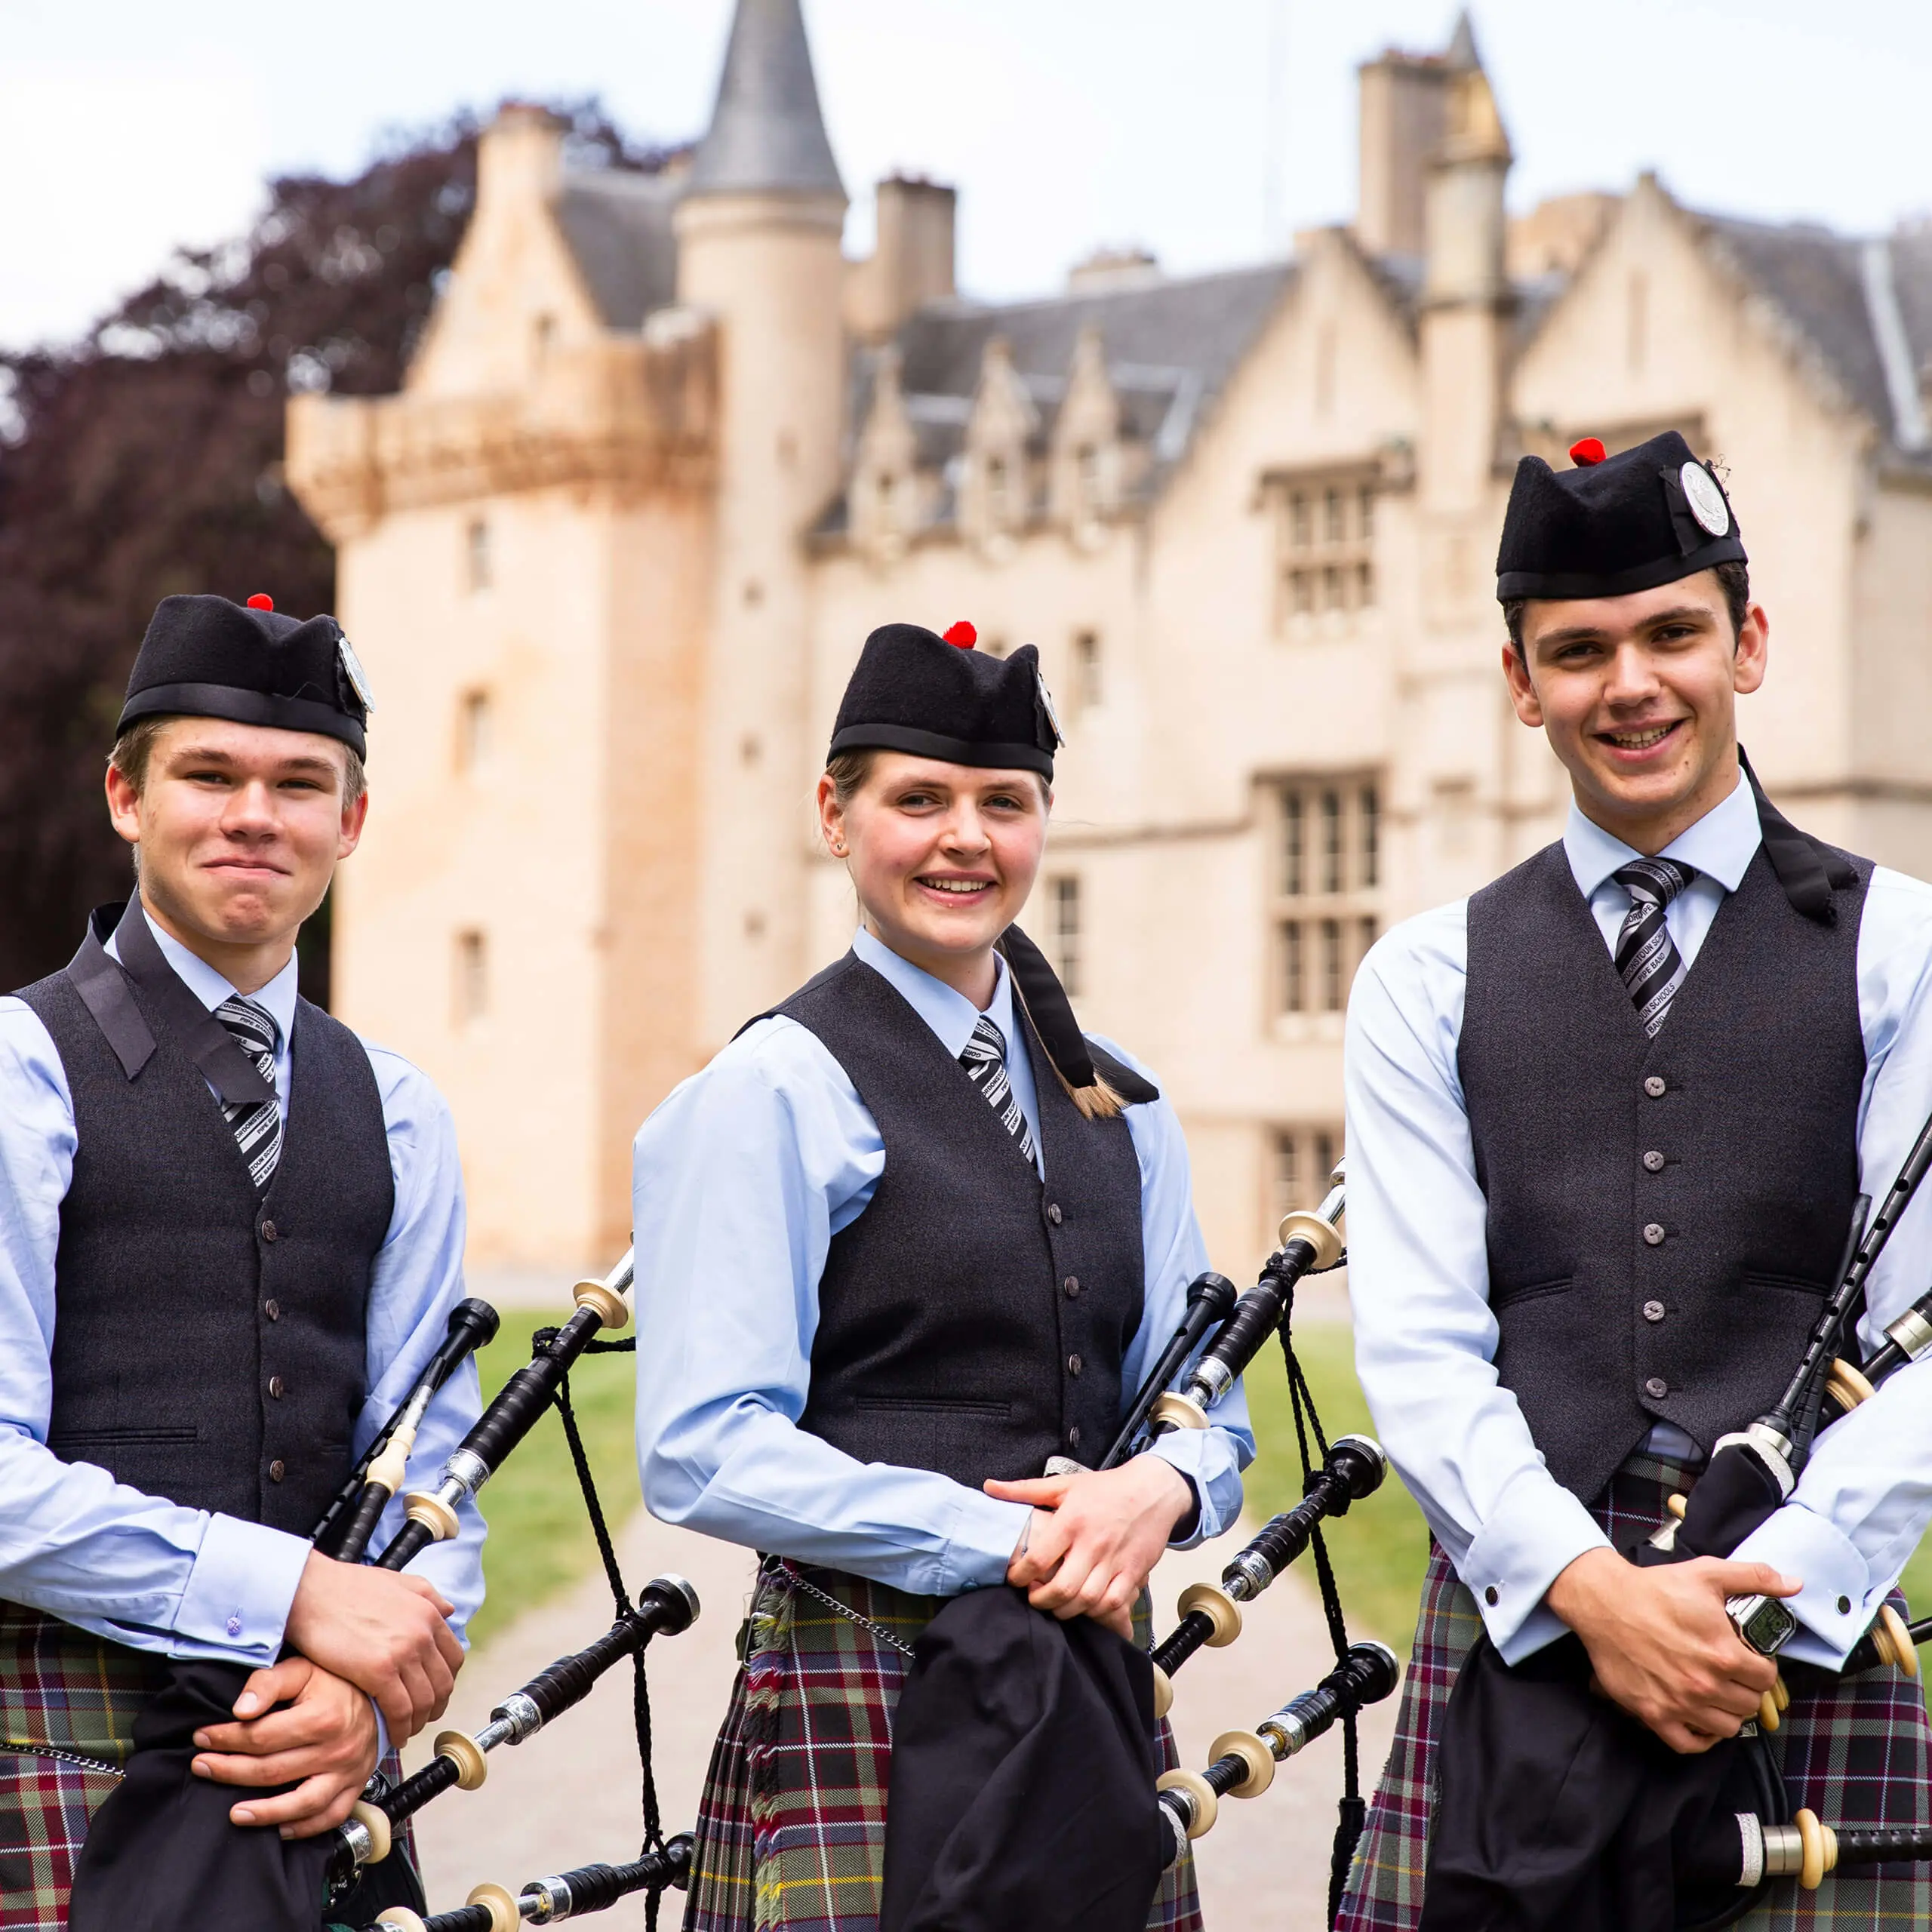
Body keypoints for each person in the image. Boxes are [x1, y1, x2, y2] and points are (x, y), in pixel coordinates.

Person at [1335, 432, 1932, 1929]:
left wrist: (1765, 1594)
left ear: (1745, 641)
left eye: (1671, 631)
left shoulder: (1902, 951)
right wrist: (1586, 1590)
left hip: (1793, 1631)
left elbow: (1922, 1335)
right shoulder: (1421, 975)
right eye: (1578, 649)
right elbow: (1413, 1343)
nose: (1630, 682)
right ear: (1519, 680)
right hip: (1527, 1611)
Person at [632, 620, 1253, 1932]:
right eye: (919, 799)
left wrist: (1163, 1488)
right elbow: (701, 1447)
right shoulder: (770, 1090)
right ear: (834, 815)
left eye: (1003, 804)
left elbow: (1210, 1401)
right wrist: (1010, 1539)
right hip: (867, 1683)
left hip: (1086, 1682)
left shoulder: (1120, 1102)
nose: (965, 838)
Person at [0, 593, 483, 1928]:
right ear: (125, 798)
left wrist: (370, 1695)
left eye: (298, 784)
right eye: (208, 775)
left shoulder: (398, 1106)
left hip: (318, 1779)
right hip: (57, 1753)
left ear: (353, 822)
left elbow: (438, 1464)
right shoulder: (16, 1073)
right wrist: (300, 1596)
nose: (253, 815)